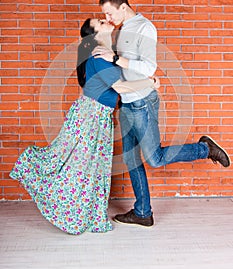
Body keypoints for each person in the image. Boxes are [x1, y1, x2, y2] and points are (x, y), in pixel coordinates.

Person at [92, 0, 231, 227]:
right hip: (126, 105)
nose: (108, 19)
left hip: (142, 104)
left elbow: (148, 68)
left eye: (110, 13)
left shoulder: (145, 28)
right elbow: (129, 66)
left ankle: (204, 149)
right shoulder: (124, 28)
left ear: (123, 7)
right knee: (132, 160)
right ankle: (143, 212)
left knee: (154, 158)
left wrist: (113, 58)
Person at [10, 18, 157, 235]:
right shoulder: (99, 56)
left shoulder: (105, 54)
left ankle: (82, 213)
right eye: (100, 21)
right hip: (91, 117)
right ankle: (68, 209)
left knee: (91, 170)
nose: (105, 19)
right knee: (78, 167)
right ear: (95, 34)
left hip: (97, 117)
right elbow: (121, 87)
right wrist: (150, 82)